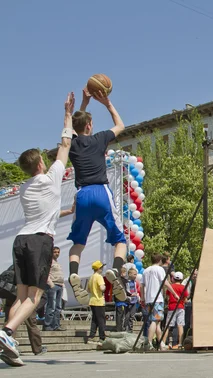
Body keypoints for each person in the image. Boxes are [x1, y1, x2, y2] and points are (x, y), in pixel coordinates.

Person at [0, 93, 75, 367]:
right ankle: (7, 332)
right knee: (36, 296)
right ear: (41, 164)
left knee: (20, 297)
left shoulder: (23, 188)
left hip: (21, 240)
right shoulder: (53, 177)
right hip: (39, 241)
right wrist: (68, 113)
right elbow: (66, 143)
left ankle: (8, 343)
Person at [66, 88, 127, 305]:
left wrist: (82, 105)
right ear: (90, 126)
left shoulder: (71, 144)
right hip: (101, 192)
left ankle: (73, 273)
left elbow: (74, 127)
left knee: (77, 243)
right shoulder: (100, 139)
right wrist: (107, 103)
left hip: (82, 194)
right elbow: (121, 125)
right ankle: (115, 271)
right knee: (120, 240)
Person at [141, 253, 179, 351]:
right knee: (155, 320)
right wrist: (174, 293)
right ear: (160, 260)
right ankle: (149, 342)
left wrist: (142, 298)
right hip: (157, 299)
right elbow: (165, 282)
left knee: (157, 322)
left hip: (149, 299)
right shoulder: (159, 269)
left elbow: (142, 285)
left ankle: (161, 343)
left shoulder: (146, 270)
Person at [44, 246, 66, 331]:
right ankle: (48, 325)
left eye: (58, 252)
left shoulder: (57, 263)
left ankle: (56, 325)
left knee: (58, 306)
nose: (57, 254)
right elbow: (46, 273)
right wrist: (51, 284)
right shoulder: (49, 262)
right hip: (53, 285)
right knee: (51, 306)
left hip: (60, 285)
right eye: (55, 252)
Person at [87, 261, 107, 342]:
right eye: (101, 267)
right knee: (101, 320)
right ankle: (102, 337)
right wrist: (104, 287)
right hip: (99, 301)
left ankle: (91, 336)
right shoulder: (99, 277)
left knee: (95, 319)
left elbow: (88, 290)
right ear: (99, 268)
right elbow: (102, 288)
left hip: (92, 300)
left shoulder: (91, 277)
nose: (102, 269)